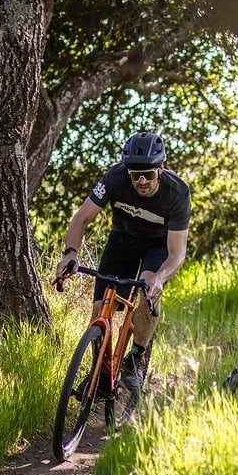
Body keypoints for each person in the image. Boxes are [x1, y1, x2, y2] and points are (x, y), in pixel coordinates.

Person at [55, 131, 190, 390]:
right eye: (135, 174)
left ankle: (137, 356)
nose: (141, 181)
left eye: (148, 174)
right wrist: (70, 253)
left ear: (160, 169)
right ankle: (100, 373)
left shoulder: (177, 193)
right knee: (100, 309)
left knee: (148, 292)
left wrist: (159, 277)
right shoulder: (115, 178)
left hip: (158, 246)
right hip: (123, 240)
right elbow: (81, 218)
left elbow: (177, 252)